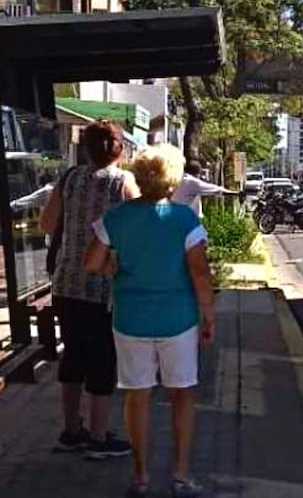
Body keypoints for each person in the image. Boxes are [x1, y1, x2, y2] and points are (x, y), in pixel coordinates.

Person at [84, 143, 215, 498]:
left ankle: (140, 476)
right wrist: (209, 316)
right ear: (173, 179)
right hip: (179, 321)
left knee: (137, 397)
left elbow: (92, 263)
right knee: (182, 395)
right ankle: (181, 475)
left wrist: (114, 265)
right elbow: (200, 274)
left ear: (139, 177)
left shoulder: (116, 217)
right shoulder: (185, 219)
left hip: (130, 320)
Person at [39, 120, 138, 460]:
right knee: (102, 359)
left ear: (85, 149)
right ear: (120, 149)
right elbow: (140, 227)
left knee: (73, 355)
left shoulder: (69, 178)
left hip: (66, 283)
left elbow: (46, 224)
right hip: (103, 287)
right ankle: (99, 436)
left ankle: (70, 431)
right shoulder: (124, 182)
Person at [171, 159, 236, 218]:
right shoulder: (192, 182)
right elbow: (216, 190)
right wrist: (235, 193)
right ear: (197, 174)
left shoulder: (176, 180)